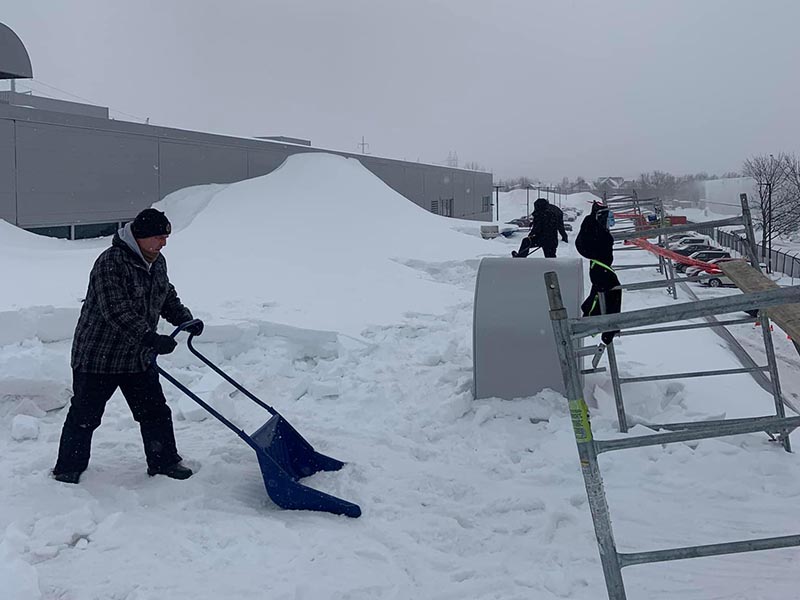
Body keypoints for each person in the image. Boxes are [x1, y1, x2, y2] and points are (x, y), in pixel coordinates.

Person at [52, 208, 204, 484]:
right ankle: (68, 468)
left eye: (166, 237)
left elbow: (165, 294)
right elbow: (115, 310)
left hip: (136, 358)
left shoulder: (157, 262)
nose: (163, 242)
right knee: (85, 416)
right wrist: (150, 337)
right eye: (159, 237)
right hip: (99, 357)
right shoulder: (110, 263)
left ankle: (164, 461)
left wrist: (185, 318)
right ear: (140, 237)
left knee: (155, 411)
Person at [575, 201, 621, 344]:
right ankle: (605, 326)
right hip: (600, 268)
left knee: (605, 294)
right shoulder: (593, 225)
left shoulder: (598, 227)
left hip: (602, 267)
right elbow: (582, 245)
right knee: (610, 293)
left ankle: (603, 324)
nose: (611, 221)